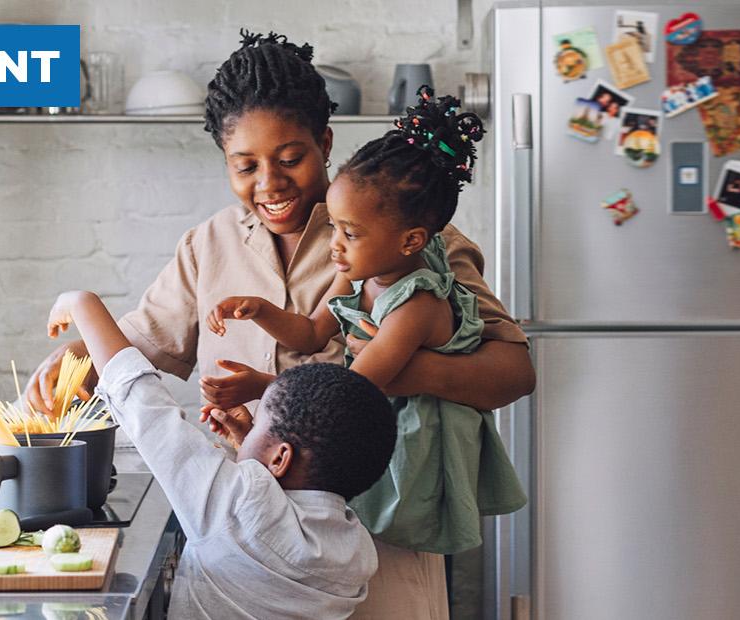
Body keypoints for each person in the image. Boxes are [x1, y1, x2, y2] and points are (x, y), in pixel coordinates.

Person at [25, 30, 534, 617]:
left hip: (380, 536)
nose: (269, 183)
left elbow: (512, 370)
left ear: (325, 141)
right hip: (248, 552)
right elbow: (149, 337)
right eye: (245, 166)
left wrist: (393, 371)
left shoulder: (410, 240)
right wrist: (78, 356)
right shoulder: (207, 244)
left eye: (290, 158)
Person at [209, 86, 527, 561]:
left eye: (348, 232)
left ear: (410, 240)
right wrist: (261, 310)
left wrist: (263, 387)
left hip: (407, 452)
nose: (334, 244)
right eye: (333, 227)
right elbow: (313, 332)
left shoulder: (415, 302)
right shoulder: (360, 271)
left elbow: (351, 391)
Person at [46, 289, 397, 620]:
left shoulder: (241, 503)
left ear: (280, 459)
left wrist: (82, 303)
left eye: (259, 421)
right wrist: (249, 447)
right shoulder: (356, 550)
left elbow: (143, 403)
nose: (252, 423)